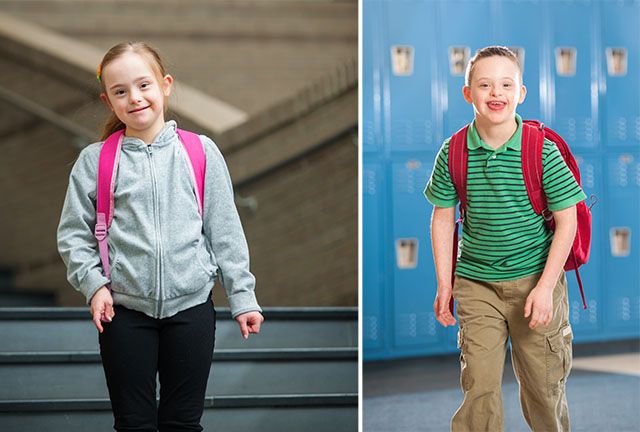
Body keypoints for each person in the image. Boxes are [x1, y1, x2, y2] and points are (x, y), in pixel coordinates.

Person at [57, 42, 264, 431]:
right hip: (123, 312)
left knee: (182, 423)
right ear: (109, 101)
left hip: (192, 310)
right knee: (134, 423)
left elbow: (225, 231)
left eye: (144, 85)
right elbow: (73, 234)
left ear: (165, 85)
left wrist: (243, 297)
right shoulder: (96, 160)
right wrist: (95, 285)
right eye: (120, 92)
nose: (134, 98)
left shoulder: (200, 152)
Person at [424, 46, 586, 431]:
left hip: (535, 281)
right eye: (484, 84)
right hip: (476, 283)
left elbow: (568, 223)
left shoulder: (541, 151)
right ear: (468, 94)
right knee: (478, 385)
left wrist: (546, 288)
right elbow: (443, 220)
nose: (496, 93)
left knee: (543, 389)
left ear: (521, 93)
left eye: (506, 84)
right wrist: (444, 285)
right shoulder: (453, 152)